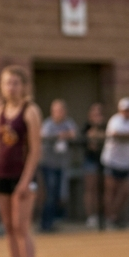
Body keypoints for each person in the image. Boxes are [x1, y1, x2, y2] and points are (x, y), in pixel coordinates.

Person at [0, 65, 42, 257]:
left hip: (22, 175)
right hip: (2, 175)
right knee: (9, 227)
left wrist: (25, 180)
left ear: (23, 86)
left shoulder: (29, 111)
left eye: (15, 83)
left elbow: (35, 150)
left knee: (21, 227)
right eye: (7, 83)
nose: (11, 87)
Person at [101, 98, 129, 228]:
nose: (127, 112)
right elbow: (116, 133)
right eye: (125, 110)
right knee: (110, 191)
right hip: (111, 161)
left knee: (125, 191)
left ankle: (114, 215)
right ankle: (109, 218)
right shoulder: (115, 120)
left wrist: (126, 135)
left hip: (126, 162)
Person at [39, 99, 77, 232]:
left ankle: (53, 221)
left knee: (59, 194)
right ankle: (45, 223)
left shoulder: (69, 123)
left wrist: (63, 135)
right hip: (49, 165)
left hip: (62, 165)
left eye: (61, 110)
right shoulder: (48, 124)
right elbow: (45, 136)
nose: (59, 113)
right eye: (56, 110)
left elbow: (74, 135)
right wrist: (60, 135)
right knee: (50, 194)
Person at [82, 103, 107, 229]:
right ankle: (90, 216)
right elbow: (91, 144)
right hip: (91, 161)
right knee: (90, 189)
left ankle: (101, 216)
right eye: (94, 113)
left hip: (104, 162)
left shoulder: (107, 126)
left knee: (101, 190)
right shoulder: (86, 127)